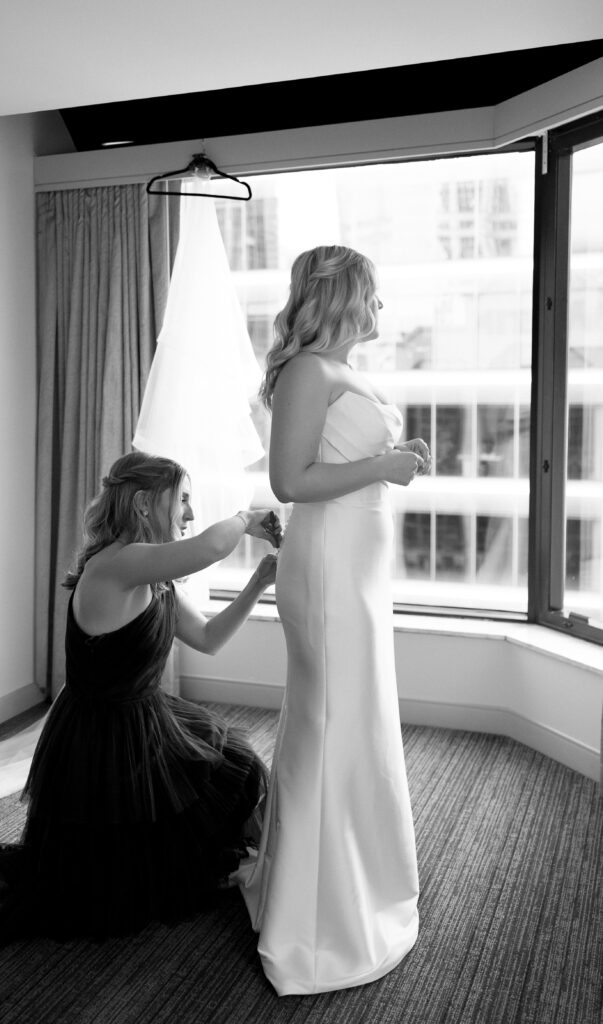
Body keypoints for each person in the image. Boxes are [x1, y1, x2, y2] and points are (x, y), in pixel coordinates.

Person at [0, 451, 281, 949]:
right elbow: (211, 546)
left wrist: (258, 583)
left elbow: (209, 639)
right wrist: (247, 517)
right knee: (96, 886)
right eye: (183, 501)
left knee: (232, 766)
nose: (189, 514)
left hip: (146, 716)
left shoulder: (151, 572)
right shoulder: (117, 563)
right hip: (101, 734)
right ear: (145, 502)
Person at [234, 245, 431, 996]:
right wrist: (382, 467)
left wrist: (393, 453)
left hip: (357, 570)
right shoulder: (307, 373)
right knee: (326, 720)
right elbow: (291, 481)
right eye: (371, 294)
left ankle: (345, 882)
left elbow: (338, 460)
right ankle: (309, 929)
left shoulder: (346, 374)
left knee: (351, 720)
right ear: (343, 297)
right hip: (326, 571)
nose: (380, 307)